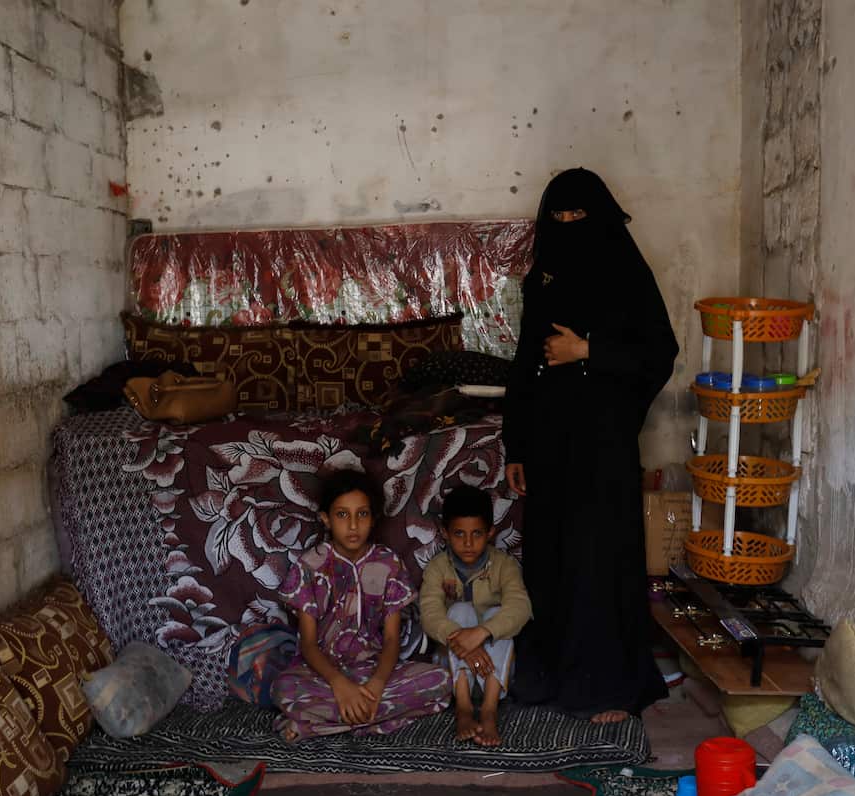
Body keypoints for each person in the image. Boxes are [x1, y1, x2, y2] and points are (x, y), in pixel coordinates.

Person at [503, 167, 678, 724]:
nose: (569, 226)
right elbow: (525, 366)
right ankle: (553, 675)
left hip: (602, 445)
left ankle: (605, 685)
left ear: (600, 217)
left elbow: (658, 352)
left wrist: (588, 350)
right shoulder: (545, 278)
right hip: (551, 444)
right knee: (552, 556)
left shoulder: (625, 270)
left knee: (598, 558)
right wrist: (516, 446)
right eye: (559, 218)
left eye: (580, 216)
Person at [269, 469, 451, 740]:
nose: (353, 525)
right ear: (326, 519)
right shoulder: (310, 565)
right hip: (322, 675)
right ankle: (373, 717)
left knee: (442, 681)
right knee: (282, 689)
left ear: (373, 518)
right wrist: (340, 685)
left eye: (362, 514)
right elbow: (307, 644)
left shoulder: (388, 563)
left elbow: (391, 639)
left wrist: (377, 684)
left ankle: (314, 725)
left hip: (374, 671)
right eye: (342, 515)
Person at [419, 485, 532, 746]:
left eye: (477, 534)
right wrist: (463, 644)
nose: (468, 543)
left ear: (490, 532)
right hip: (452, 673)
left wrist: (481, 633)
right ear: (445, 533)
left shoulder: (504, 564)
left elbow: (521, 606)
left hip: (498, 672)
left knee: (498, 615)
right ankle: (464, 708)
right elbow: (430, 614)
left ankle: (490, 710)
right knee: (459, 610)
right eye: (459, 534)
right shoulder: (438, 568)